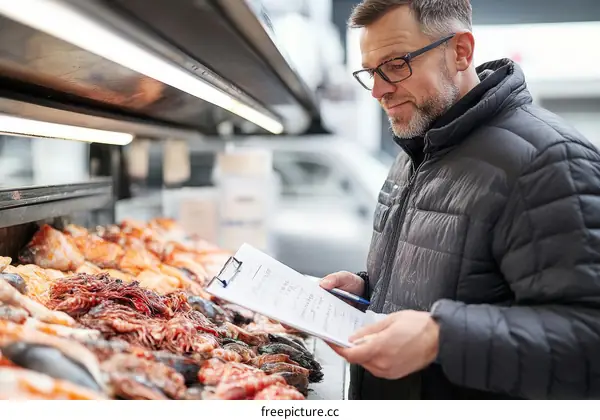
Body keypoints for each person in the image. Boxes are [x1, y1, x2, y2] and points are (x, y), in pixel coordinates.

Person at [320, 0, 600, 400]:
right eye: (370, 73)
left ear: (461, 52)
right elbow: (457, 282)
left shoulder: (549, 161)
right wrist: (367, 291)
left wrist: (441, 338)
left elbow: (588, 336)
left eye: (396, 64)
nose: (378, 90)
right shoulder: (416, 151)